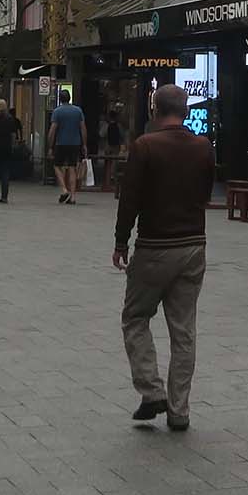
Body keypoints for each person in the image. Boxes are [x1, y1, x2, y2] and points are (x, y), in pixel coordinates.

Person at [113, 84, 216, 433]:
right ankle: (179, 410)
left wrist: (121, 242)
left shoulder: (145, 146)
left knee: (135, 317)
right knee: (183, 329)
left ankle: (151, 389)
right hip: (193, 246)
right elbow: (205, 193)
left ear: (155, 110)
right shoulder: (204, 148)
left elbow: (130, 199)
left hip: (155, 246)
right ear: (185, 111)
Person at [49, 88, 88, 205]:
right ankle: (73, 196)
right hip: (75, 143)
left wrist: (50, 146)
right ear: (69, 98)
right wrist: (84, 144)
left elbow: (52, 130)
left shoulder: (57, 111)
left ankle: (64, 189)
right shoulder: (78, 111)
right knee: (72, 168)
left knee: (57, 166)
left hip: (61, 143)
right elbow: (83, 128)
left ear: (60, 99)